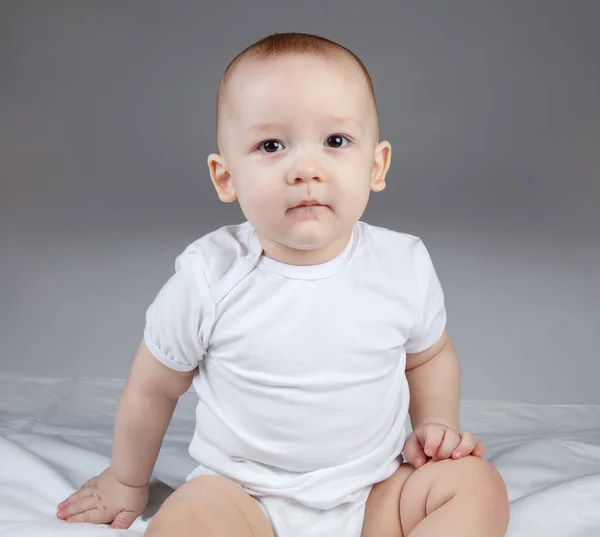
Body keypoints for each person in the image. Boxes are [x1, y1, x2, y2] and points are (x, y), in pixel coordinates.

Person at [56, 32, 510, 537]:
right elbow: (151, 390)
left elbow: (428, 357)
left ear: (376, 165)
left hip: (376, 492)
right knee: (182, 522)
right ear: (226, 177)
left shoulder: (403, 263)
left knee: (477, 487)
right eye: (271, 145)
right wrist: (126, 480)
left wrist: (436, 427)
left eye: (335, 141)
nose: (306, 170)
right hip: (242, 498)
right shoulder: (209, 276)